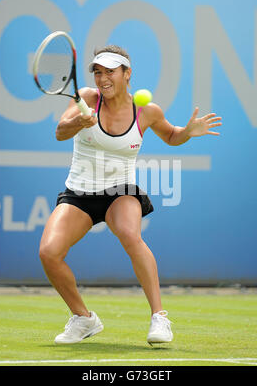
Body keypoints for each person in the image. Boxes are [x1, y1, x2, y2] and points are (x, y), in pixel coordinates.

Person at [39, 45, 222, 345]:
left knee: (129, 233)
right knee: (48, 253)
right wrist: (77, 123)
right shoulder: (86, 98)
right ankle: (84, 319)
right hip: (79, 193)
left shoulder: (147, 111)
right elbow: (60, 131)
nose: (102, 78)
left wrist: (188, 131)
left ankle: (159, 318)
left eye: (110, 71)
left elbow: (172, 135)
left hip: (120, 191)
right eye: (98, 72)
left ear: (127, 73)